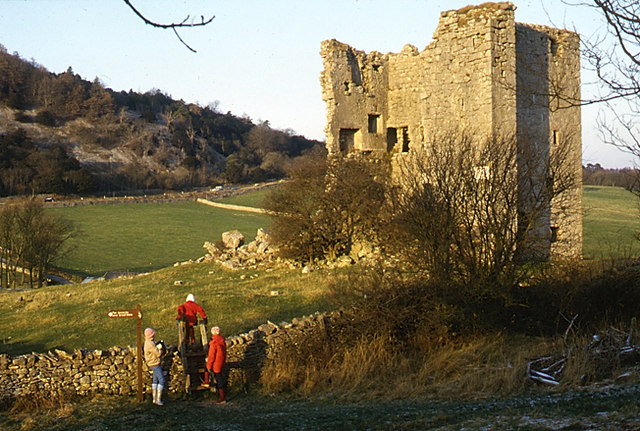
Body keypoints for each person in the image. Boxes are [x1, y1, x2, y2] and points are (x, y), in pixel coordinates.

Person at [205, 326, 227, 404]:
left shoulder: (214, 343)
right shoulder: (222, 341)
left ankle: (206, 382)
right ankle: (222, 396)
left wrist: (208, 366)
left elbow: (211, 356)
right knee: (220, 377)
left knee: (218, 379)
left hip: (216, 363)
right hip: (221, 362)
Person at [143, 327, 166, 406]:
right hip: (155, 363)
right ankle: (158, 399)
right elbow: (158, 353)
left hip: (152, 363)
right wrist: (160, 348)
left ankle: (154, 399)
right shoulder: (150, 344)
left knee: (155, 380)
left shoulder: (148, 342)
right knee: (162, 380)